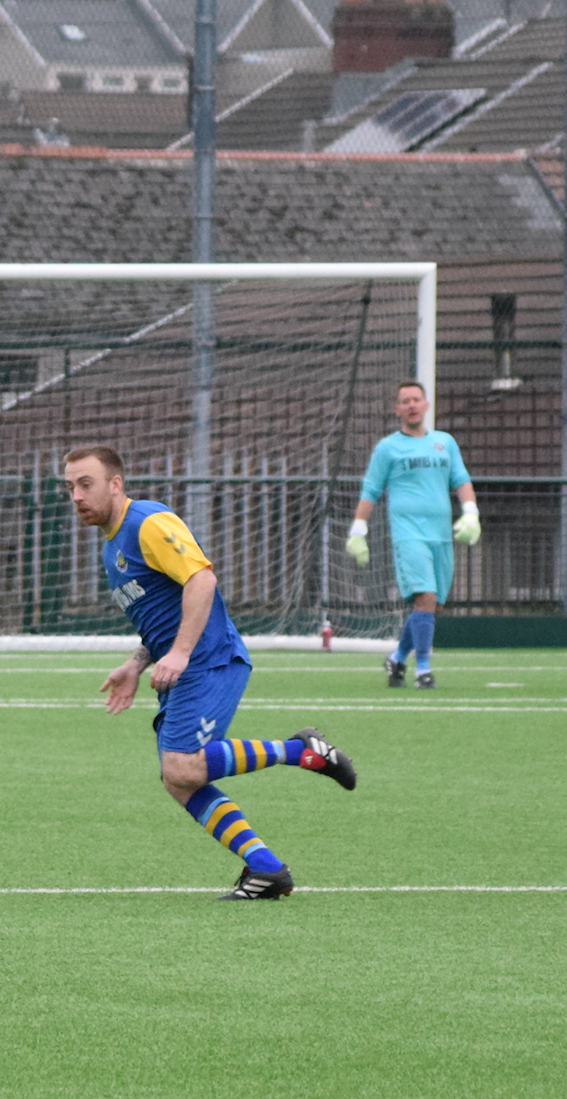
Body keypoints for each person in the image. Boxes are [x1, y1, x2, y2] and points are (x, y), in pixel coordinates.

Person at [62, 445, 358, 899]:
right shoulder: (111, 547)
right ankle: (266, 870)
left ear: (115, 484)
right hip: (184, 669)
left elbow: (201, 579)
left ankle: (299, 750)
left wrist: (179, 654)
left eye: (86, 484)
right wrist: (136, 664)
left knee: (182, 766)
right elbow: (161, 615)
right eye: (70, 487)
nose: (77, 496)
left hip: (208, 660)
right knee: (178, 779)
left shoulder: (149, 523)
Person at [346, 380, 479, 690]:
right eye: (405, 401)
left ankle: (396, 657)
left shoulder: (445, 443)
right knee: (425, 597)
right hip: (408, 535)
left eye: (416, 399)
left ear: (426, 405)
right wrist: (358, 530)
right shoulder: (388, 448)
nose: (411, 405)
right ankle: (423, 670)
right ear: (397, 409)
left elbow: (461, 479)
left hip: (441, 535)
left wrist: (471, 512)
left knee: (432, 606)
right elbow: (371, 489)